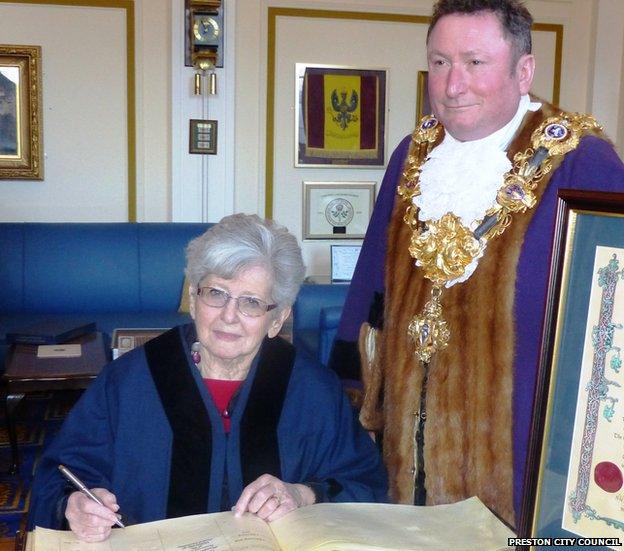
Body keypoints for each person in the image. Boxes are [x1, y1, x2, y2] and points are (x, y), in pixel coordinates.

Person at [328, 0, 624, 527]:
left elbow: (613, 327)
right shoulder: (412, 153)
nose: (452, 84)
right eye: (439, 62)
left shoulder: (583, 160)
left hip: (524, 457)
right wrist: (350, 400)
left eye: (474, 62)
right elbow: (372, 285)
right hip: (408, 443)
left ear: (523, 70)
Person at [29, 214, 388, 542]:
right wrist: (74, 505)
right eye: (216, 293)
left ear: (277, 319)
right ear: (192, 297)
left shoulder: (312, 390)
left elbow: (365, 482)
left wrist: (303, 494)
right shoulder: (129, 382)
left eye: (250, 302)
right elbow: (58, 475)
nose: (228, 316)